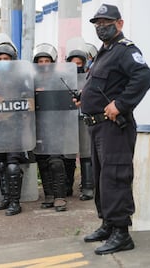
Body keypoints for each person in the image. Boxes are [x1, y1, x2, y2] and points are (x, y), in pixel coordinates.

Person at [77, 4, 150, 255]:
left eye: (106, 22)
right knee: (101, 178)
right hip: (98, 128)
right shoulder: (104, 51)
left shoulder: (124, 50)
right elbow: (102, 84)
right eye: (97, 23)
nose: (101, 27)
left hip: (114, 129)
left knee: (115, 177)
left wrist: (120, 104)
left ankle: (122, 233)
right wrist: (83, 97)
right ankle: (108, 224)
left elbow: (143, 76)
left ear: (119, 23)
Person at [0, 41, 30, 216]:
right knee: (0, 164)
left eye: (6, 58)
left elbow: (28, 102)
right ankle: (5, 197)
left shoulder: (21, 79)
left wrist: (10, 108)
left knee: (13, 165)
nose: (3, 61)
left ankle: (15, 202)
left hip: (15, 128)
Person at [32, 43, 68, 211]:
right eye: (41, 61)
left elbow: (67, 101)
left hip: (55, 126)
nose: (44, 63)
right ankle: (49, 195)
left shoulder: (60, 79)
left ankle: (60, 196)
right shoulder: (29, 80)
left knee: (55, 161)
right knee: (42, 160)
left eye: (47, 60)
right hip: (37, 126)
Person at [64, 42, 94, 201]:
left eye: (79, 63)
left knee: (86, 152)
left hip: (84, 119)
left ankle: (88, 186)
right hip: (68, 121)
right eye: (72, 63)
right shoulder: (62, 78)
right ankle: (67, 186)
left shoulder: (90, 78)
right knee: (68, 153)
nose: (76, 66)